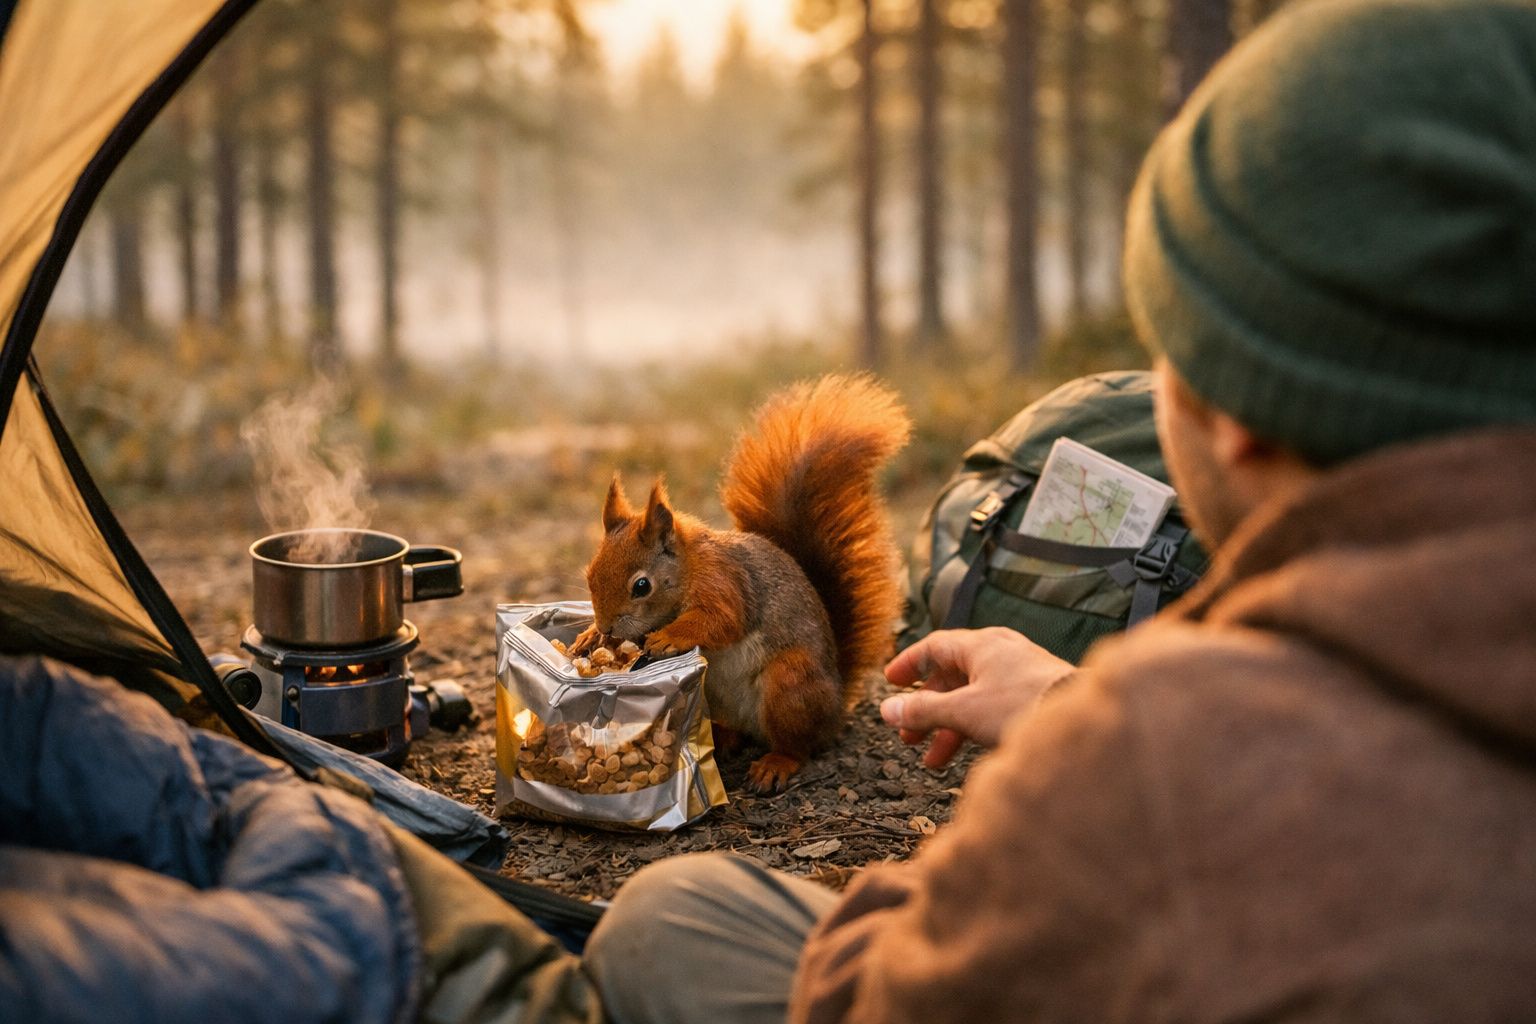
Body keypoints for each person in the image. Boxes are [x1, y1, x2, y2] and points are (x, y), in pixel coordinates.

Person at [583, 0, 1536, 1020]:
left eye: (1170, 347)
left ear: (1241, 412)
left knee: (669, 913)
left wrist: (1062, 778)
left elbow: (890, 993)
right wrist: (1068, 703)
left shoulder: (1156, 749)